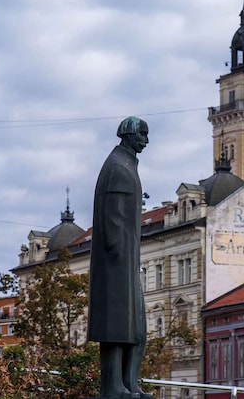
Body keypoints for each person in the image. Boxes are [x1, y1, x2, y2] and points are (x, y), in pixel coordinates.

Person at [88, 116, 152, 399]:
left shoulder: (125, 164)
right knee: (117, 325)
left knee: (137, 325)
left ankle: (129, 383)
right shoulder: (117, 166)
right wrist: (117, 252)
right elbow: (113, 216)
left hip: (126, 258)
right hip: (117, 261)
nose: (146, 141)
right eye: (143, 135)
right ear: (129, 134)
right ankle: (113, 386)